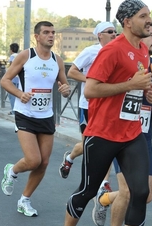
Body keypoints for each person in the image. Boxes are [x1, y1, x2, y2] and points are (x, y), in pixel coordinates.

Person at [54, 1, 152, 226]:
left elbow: (135, 88)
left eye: (149, 16)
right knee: (87, 190)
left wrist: (147, 92)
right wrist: (131, 84)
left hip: (131, 132)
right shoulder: (111, 51)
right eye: (143, 16)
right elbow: (91, 90)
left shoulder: (144, 50)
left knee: (140, 191)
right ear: (127, 22)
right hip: (102, 134)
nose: (149, 20)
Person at [91, 21, 152, 226]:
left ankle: (103, 199)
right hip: (119, 134)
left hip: (143, 134)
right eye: (151, 35)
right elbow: (104, 89)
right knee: (128, 190)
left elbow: (147, 96)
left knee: (146, 194)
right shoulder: (122, 57)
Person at [0, 21, 71, 217]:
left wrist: (65, 90)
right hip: (25, 113)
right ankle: (12, 171)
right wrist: (19, 93)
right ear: (37, 36)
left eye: (53, 32)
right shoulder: (26, 56)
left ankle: (25, 200)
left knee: (44, 163)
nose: (51, 36)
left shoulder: (57, 60)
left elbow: (65, 88)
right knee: (33, 160)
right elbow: (5, 80)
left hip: (46, 115)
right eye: (46, 32)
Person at [59, 21, 117, 180]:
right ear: (100, 35)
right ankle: (70, 158)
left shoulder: (117, 52)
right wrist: (93, 81)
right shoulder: (91, 51)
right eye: (110, 31)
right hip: (88, 105)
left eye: (115, 32)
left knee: (107, 145)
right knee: (88, 145)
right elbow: (72, 72)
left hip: (109, 106)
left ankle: (103, 185)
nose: (114, 34)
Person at [7, 43, 19, 115]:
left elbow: (11, 67)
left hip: (13, 78)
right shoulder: (19, 56)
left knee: (11, 96)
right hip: (19, 78)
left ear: (11, 50)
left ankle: (14, 111)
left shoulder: (12, 56)